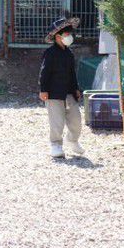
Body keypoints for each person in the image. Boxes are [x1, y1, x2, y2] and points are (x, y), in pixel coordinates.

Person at [38, 16, 83, 159]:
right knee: (56, 121)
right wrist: (43, 89)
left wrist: (76, 88)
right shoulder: (50, 53)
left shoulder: (69, 53)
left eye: (70, 33)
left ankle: (72, 139)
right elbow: (44, 72)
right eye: (67, 34)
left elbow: (72, 73)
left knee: (76, 120)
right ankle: (56, 145)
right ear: (58, 37)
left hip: (69, 92)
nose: (70, 36)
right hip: (53, 93)